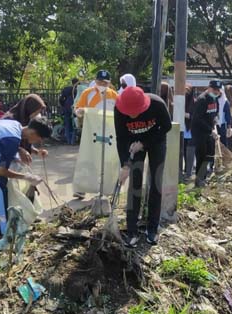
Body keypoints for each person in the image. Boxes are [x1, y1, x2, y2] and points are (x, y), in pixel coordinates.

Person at [115, 86, 172, 247]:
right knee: (135, 183)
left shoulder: (157, 104)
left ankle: (152, 228)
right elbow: (121, 138)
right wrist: (125, 164)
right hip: (133, 145)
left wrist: (145, 142)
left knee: (155, 182)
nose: (132, 115)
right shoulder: (119, 110)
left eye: (136, 112)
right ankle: (132, 229)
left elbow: (166, 127)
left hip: (156, 141)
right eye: (129, 112)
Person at [72, 70, 119, 199]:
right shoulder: (88, 93)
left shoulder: (114, 95)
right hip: (91, 131)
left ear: (109, 83)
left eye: (105, 82)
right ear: (95, 81)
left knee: (108, 160)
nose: (102, 84)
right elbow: (78, 108)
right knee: (87, 157)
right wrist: (80, 112)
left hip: (109, 132)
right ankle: (81, 188)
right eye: (99, 82)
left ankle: (107, 188)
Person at [191, 80, 222, 187]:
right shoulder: (202, 100)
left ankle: (204, 177)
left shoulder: (215, 99)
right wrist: (210, 130)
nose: (217, 92)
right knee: (201, 156)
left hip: (210, 131)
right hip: (199, 133)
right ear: (209, 88)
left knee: (209, 155)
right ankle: (199, 180)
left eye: (218, 90)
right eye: (215, 89)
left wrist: (215, 121)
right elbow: (197, 119)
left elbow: (214, 114)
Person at [5, 94, 48, 164]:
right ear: (29, 107)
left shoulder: (26, 120)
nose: (38, 115)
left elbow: (24, 140)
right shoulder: (10, 120)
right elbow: (4, 142)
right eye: (37, 111)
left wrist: (36, 151)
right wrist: (19, 150)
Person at [58, 78, 78, 145]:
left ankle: (68, 140)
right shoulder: (77, 90)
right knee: (75, 124)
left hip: (66, 107)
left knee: (67, 124)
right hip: (75, 107)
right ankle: (73, 141)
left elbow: (61, 99)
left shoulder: (66, 89)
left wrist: (63, 105)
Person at [183, 86, 195, 181]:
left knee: (190, 153)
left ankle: (189, 172)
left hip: (190, 130)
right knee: (183, 152)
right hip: (182, 130)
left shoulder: (194, 102)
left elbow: (195, 116)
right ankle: (185, 170)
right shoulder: (180, 101)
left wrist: (186, 114)